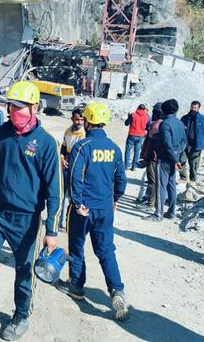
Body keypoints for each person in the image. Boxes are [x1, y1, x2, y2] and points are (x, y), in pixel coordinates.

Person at [0, 81, 62, 342]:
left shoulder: (46, 143)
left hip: (26, 220)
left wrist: (52, 231)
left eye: (20, 107)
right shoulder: (1, 134)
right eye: (11, 106)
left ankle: (21, 315)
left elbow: (55, 191)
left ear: (34, 107)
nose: (14, 112)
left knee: (24, 272)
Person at [56, 103, 129, 321]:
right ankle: (116, 290)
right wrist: (114, 199)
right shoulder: (114, 148)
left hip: (83, 209)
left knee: (77, 247)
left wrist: (77, 202)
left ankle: (77, 286)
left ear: (87, 121)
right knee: (106, 251)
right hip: (105, 209)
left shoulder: (83, 146)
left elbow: (74, 176)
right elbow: (121, 181)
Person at [143, 99, 186, 222]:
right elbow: (184, 142)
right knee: (172, 186)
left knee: (161, 186)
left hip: (164, 159)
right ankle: (171, 212)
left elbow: (167, 145)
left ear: (164, 110)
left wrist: (174, 157)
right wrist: (177, 155)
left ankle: (158, 214)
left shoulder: (164, 124)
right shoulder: (180, 123)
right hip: (174, 158)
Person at [60, 108, 86, 230]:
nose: (79, 122)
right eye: (77, 119)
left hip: (77, 169)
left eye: (82, 119)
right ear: (72, 119)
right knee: (61, 195)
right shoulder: (67, 131)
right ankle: (59, 221)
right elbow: (64, 148)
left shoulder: (84, 133)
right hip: (66, 165)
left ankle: (69, 221)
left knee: (73, 196)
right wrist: (62, 159)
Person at [179, 101, 204, 182]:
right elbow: (178, 130)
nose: (193, 109)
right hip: (184, 145)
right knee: (181, 160)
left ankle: (193, 179)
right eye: (192, 107)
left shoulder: (203, 119)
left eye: (195, 108)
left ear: (199, 108)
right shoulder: (184, 118)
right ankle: (183, 178)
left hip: (196, 146)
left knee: (193, 164)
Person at [136, 102, 163, 209]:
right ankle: (148, 198)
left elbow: (151, 145)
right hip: (155, 158)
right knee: (152, 180)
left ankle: (151, 203)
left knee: (153, 181)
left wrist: (146, 158)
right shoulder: (161, 124)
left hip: (153, 158)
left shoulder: (156, 125)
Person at [123, 104, 149, 171]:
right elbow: (148, 127)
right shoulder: (147, 117)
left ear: (138, 108)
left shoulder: (133, 115)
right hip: (140, 136)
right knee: (137, 152)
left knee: (128, 150)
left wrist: (128, 117)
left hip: (132, 134)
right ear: (144, 109)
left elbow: (126, 123)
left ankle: (126, 166)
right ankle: (134, 167)